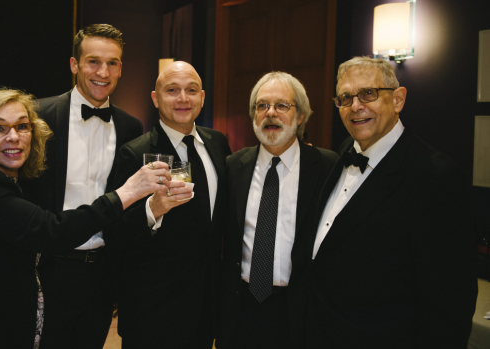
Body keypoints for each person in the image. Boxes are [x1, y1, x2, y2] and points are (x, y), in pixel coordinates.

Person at [0, 24, 145, 349]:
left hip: (101, 270)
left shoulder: (129, 125)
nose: (103, 71)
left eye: (112, 63)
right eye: (93, 61)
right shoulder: (33, 116)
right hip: (45, 265)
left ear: (121, 68)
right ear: (74, 65)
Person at [0, 86, 183, 349]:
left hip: (17, 308)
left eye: (21, 126)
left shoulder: (14, 176)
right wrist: (127, 192)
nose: (13, 137)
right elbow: (51, 231)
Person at [289, 57, 478, 349]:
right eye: (345, 98)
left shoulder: (435, 177)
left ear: (398, 100)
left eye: (368, 94)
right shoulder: (343, 153)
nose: (355, 106)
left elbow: (449, 304)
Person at [107, 61, 232, 349]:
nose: (183, 98)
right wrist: (154, 210)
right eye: (172, 90)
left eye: (191, 90)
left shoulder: (218, 144)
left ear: (202, 97)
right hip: (153, 310)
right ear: (155, 98)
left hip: (206, 307)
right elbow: (116, 233)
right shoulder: (135, 153)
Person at [217, 72, 337, 349]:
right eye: (262, 106)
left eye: (282, 105)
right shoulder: (233, 166)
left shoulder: (327, 167)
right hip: (240, 309)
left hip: (298, 311)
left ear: (301, 115)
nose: (270, 113)